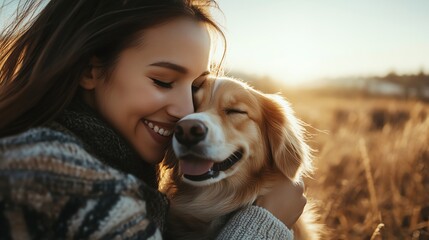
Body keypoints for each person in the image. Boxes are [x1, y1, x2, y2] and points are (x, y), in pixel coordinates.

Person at [0, 0, 306, 239]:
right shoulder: (69, 182)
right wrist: (265, 225)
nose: (187, 111)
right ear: (90, 71)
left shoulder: (70, 152)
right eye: (162, 81)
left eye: (195, 87)